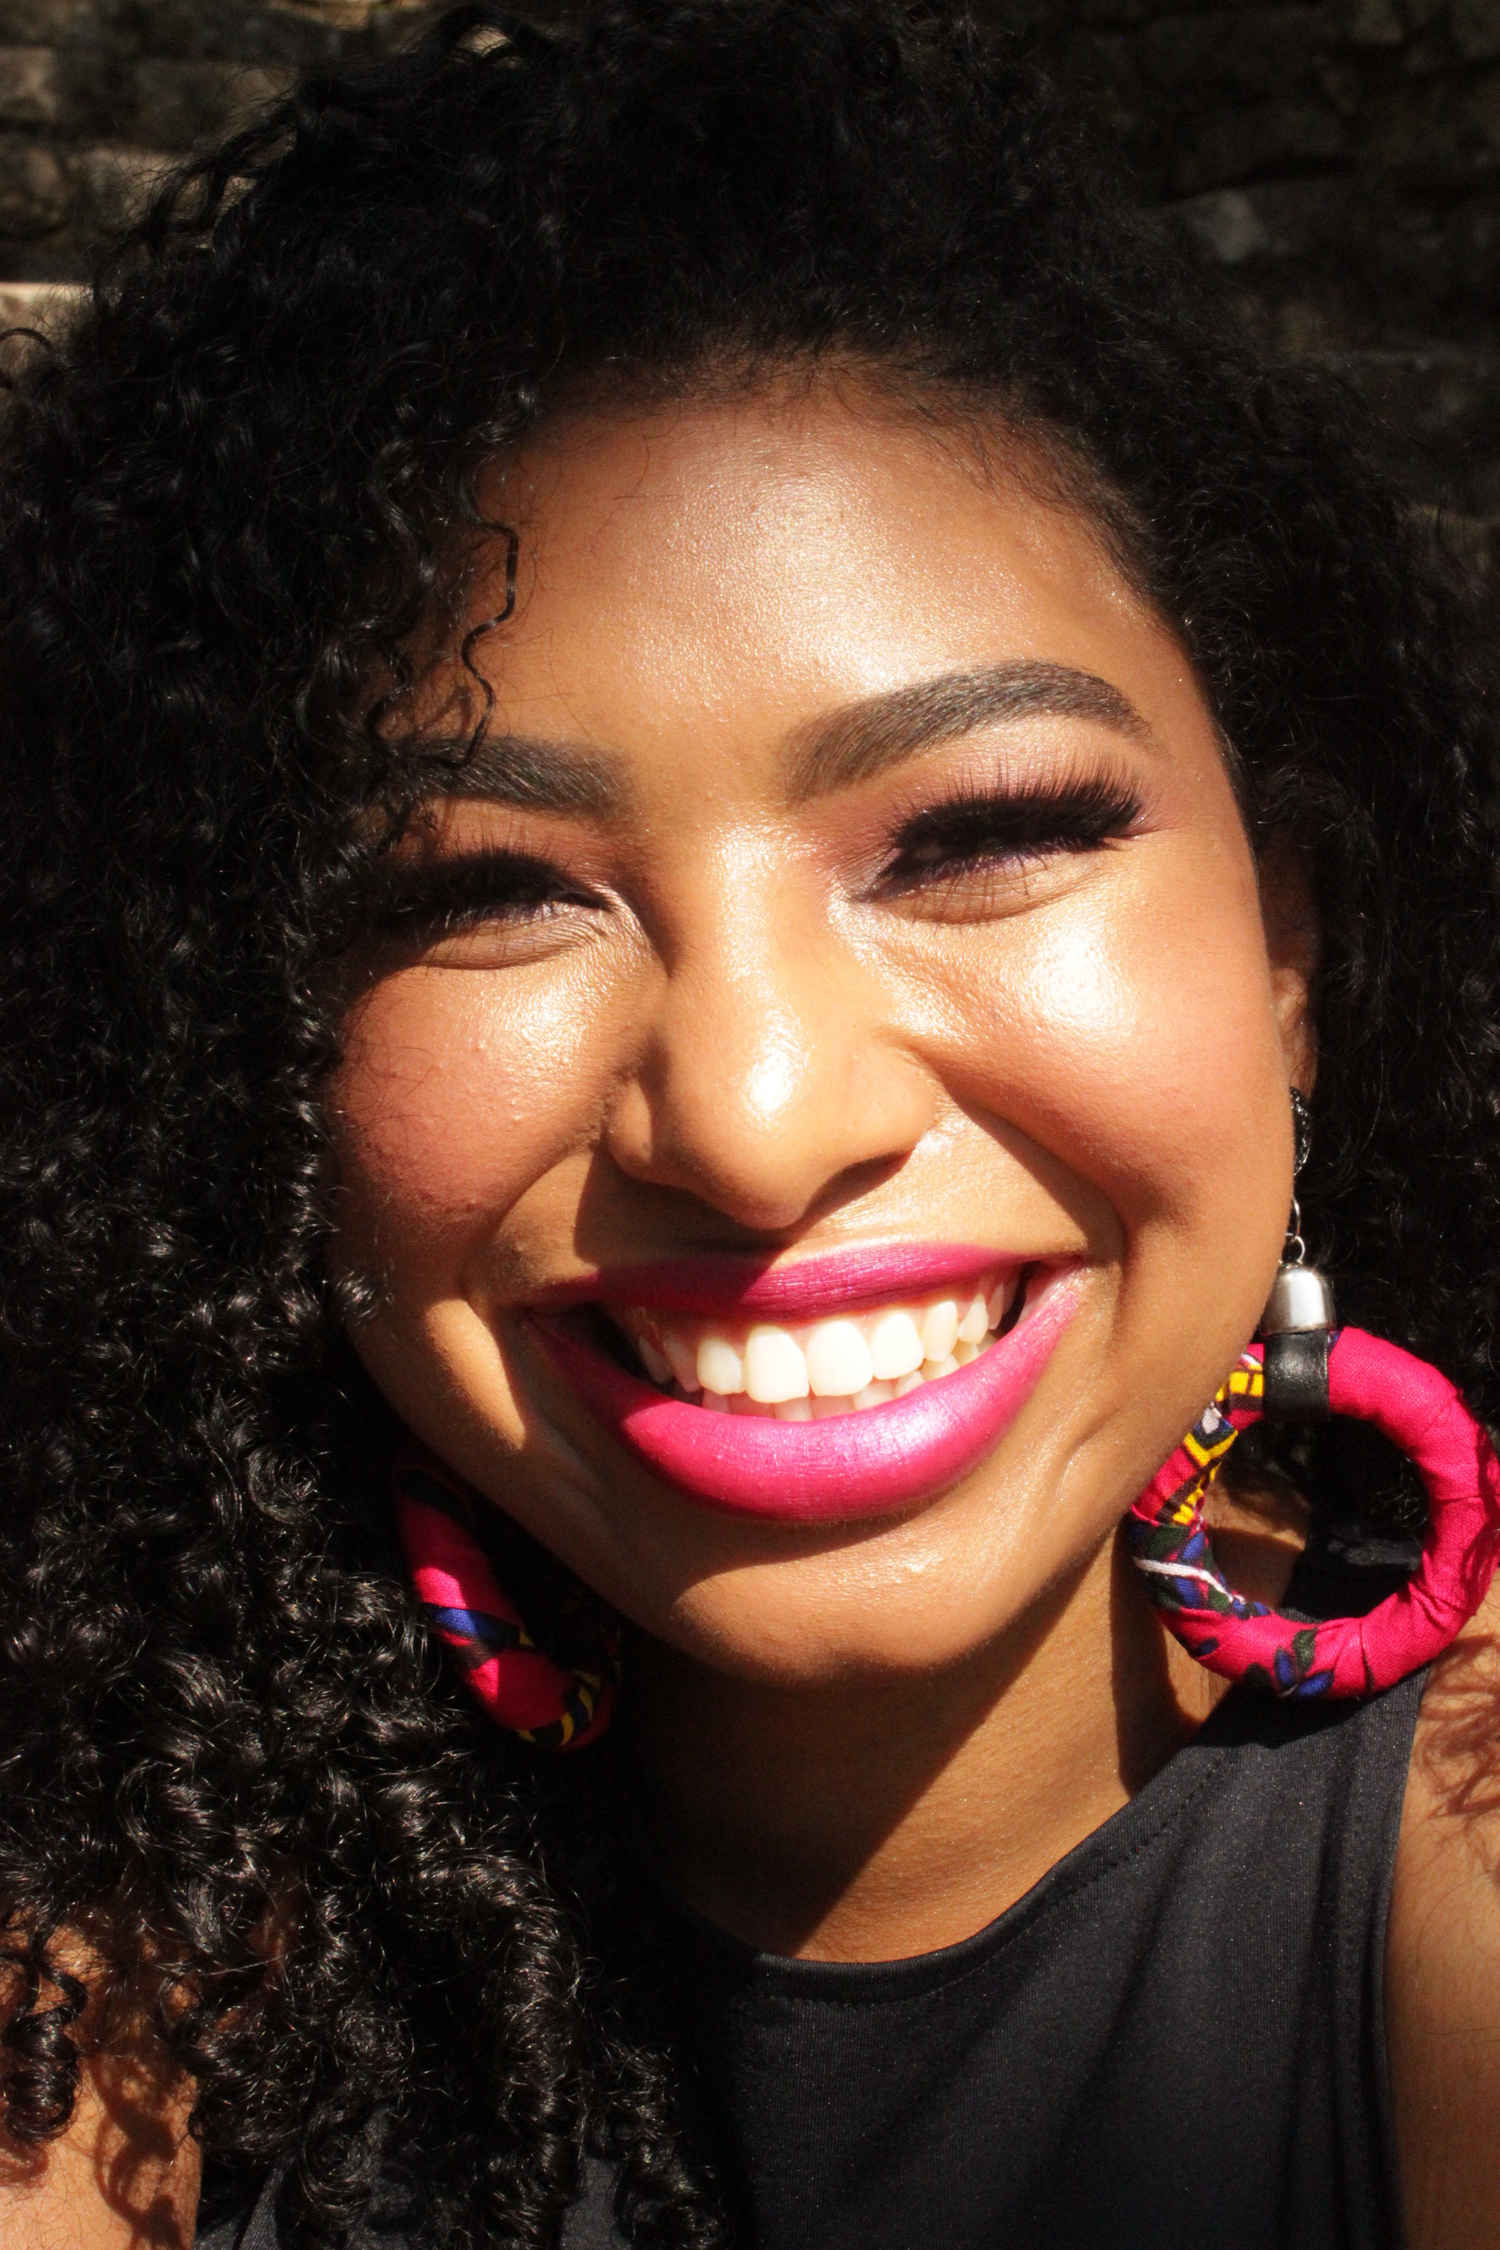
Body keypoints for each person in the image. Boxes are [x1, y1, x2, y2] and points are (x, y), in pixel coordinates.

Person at [3, 2, 1500, 2243]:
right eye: (485, 891)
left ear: (1289, 945)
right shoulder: (120, 1929)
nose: (760, 1119)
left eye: (981, 830)